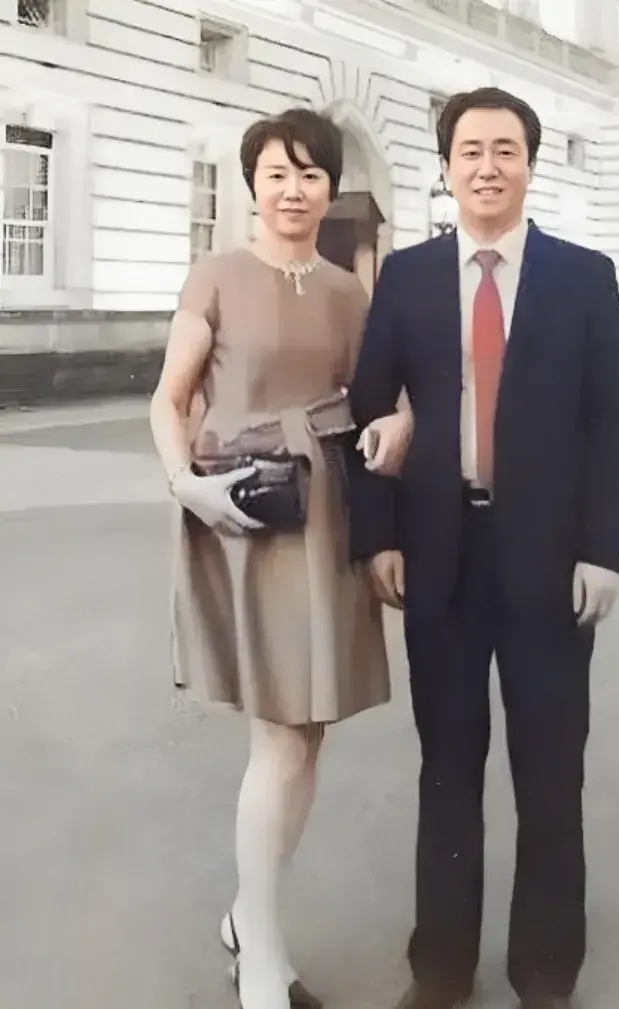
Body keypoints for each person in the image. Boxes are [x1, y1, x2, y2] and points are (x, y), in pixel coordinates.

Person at [348, 88, 619, 1009]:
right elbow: (366, 408)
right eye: (469, 150)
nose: (486, 166)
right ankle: (439, 969)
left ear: (528, 165)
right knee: (446, 771)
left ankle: (545, 971)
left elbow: (610, 426)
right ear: (445, 168)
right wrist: (378, 536)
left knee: (550, 774)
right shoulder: (407, 278)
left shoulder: (582, 278)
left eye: (504, 149)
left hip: (550, 564)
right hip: (439, 557)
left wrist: (602, 550)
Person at [149, 108, 412, 1009]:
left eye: (309, 174)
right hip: (246, 513)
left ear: (330, 187)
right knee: (280, 734)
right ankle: (261, 956)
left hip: (328, 513)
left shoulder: (348, 292)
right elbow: (169, 398)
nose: (293, 190)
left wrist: (400, 426)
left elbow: (378, 400)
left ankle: (244, 918)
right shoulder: (216, 276)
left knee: (310, 733)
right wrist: (185, 485)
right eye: (276, 173)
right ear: (252, 184)